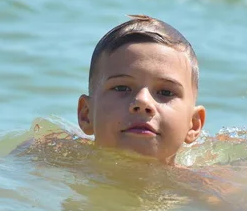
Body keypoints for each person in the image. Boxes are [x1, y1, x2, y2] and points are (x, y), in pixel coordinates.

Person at [76, 14, 206, 165]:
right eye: (121, 88)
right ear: (86, 114)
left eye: (166, 92)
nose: (143, 101)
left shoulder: (207, 187)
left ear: (194, 124)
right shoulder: (54, 166)